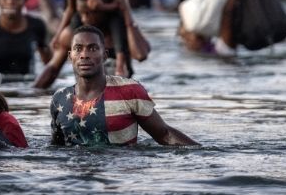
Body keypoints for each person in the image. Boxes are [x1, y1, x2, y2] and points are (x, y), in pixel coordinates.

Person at [50, 25, 198, 146]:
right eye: (78, 48)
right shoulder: (60, 98)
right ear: (70, 56)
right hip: (73, 180)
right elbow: (56, 148)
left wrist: (202, 155)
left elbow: (164, 134)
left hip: (120, 176)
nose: (84, 54)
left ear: (105, 55)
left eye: (93, 48)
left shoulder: (129, 90)